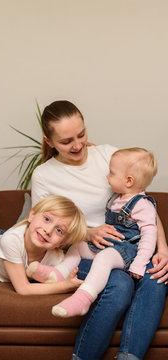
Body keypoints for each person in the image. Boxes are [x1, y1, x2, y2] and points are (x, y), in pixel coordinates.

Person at [31, 100, 168, 360]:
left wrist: (163, 249)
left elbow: (143, 208)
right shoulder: (43, 175)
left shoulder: (108, 156)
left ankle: (129, 356)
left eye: (81, 134)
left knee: (157, 278)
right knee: (119, 284)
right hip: (82, 251)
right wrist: (89, 233)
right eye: (66, 141)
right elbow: (46, 231)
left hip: (127, 246)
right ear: (49, 142)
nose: (78, 145)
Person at [27, 147, 158, 318]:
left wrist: (139, 263)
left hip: (128, 251)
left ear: (128, 181)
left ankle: (84, 297)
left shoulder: (142, 204)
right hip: (112, 245)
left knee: (105, 258)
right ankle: (59, 272)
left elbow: (149, 235)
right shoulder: (117, 198)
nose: (107, 176)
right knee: (78, 244)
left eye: (111, 173)